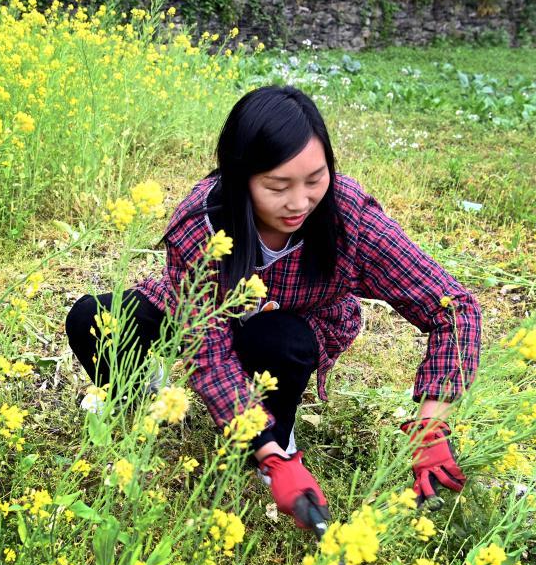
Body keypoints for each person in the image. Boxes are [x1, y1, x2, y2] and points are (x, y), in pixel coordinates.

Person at [65, 85, 482, 528]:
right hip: (201, 312)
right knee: (91, 319)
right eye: (277, 186)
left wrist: (430, 426)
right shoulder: (200, 223)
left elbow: (453, 308)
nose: (299, 202)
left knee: (277, 340)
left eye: (315, 179)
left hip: (294, 323)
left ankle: (277, 433)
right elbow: (209, 352)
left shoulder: (349, 219)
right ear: (240, 177)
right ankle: (147, 395)